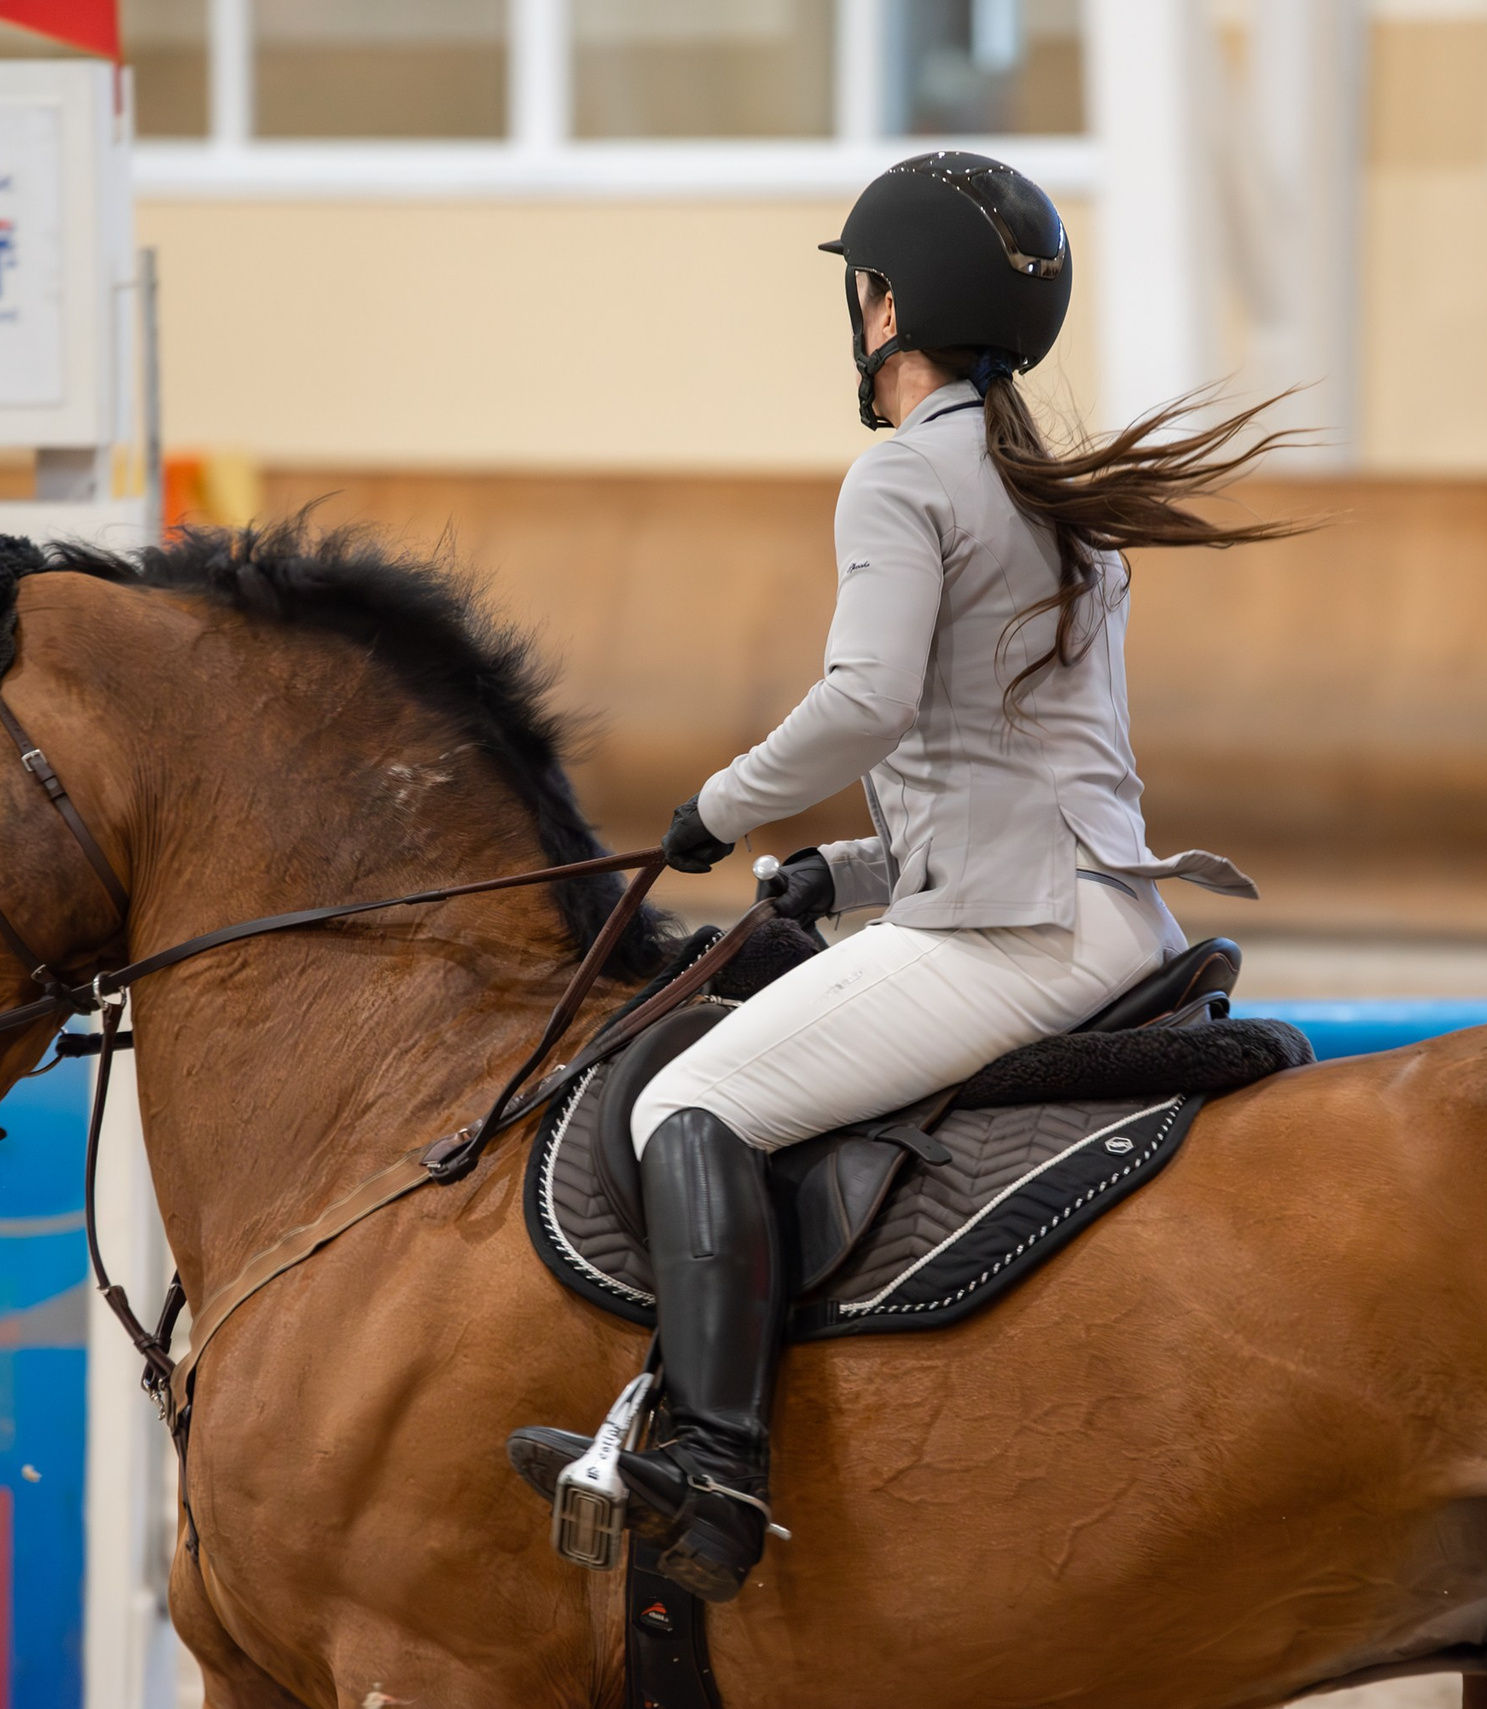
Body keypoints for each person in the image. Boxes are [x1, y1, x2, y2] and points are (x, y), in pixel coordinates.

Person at [511, 150, 1311, 1603]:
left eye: (855, 291)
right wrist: (844, 864)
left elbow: (867, 703)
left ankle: (712, 1465)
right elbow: (1023, 769)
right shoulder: (1046, 494)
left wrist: (712, 807)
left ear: (883, 304)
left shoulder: (899, 477)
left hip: (1012, 938)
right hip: (1114, 912)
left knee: (691, 1097)